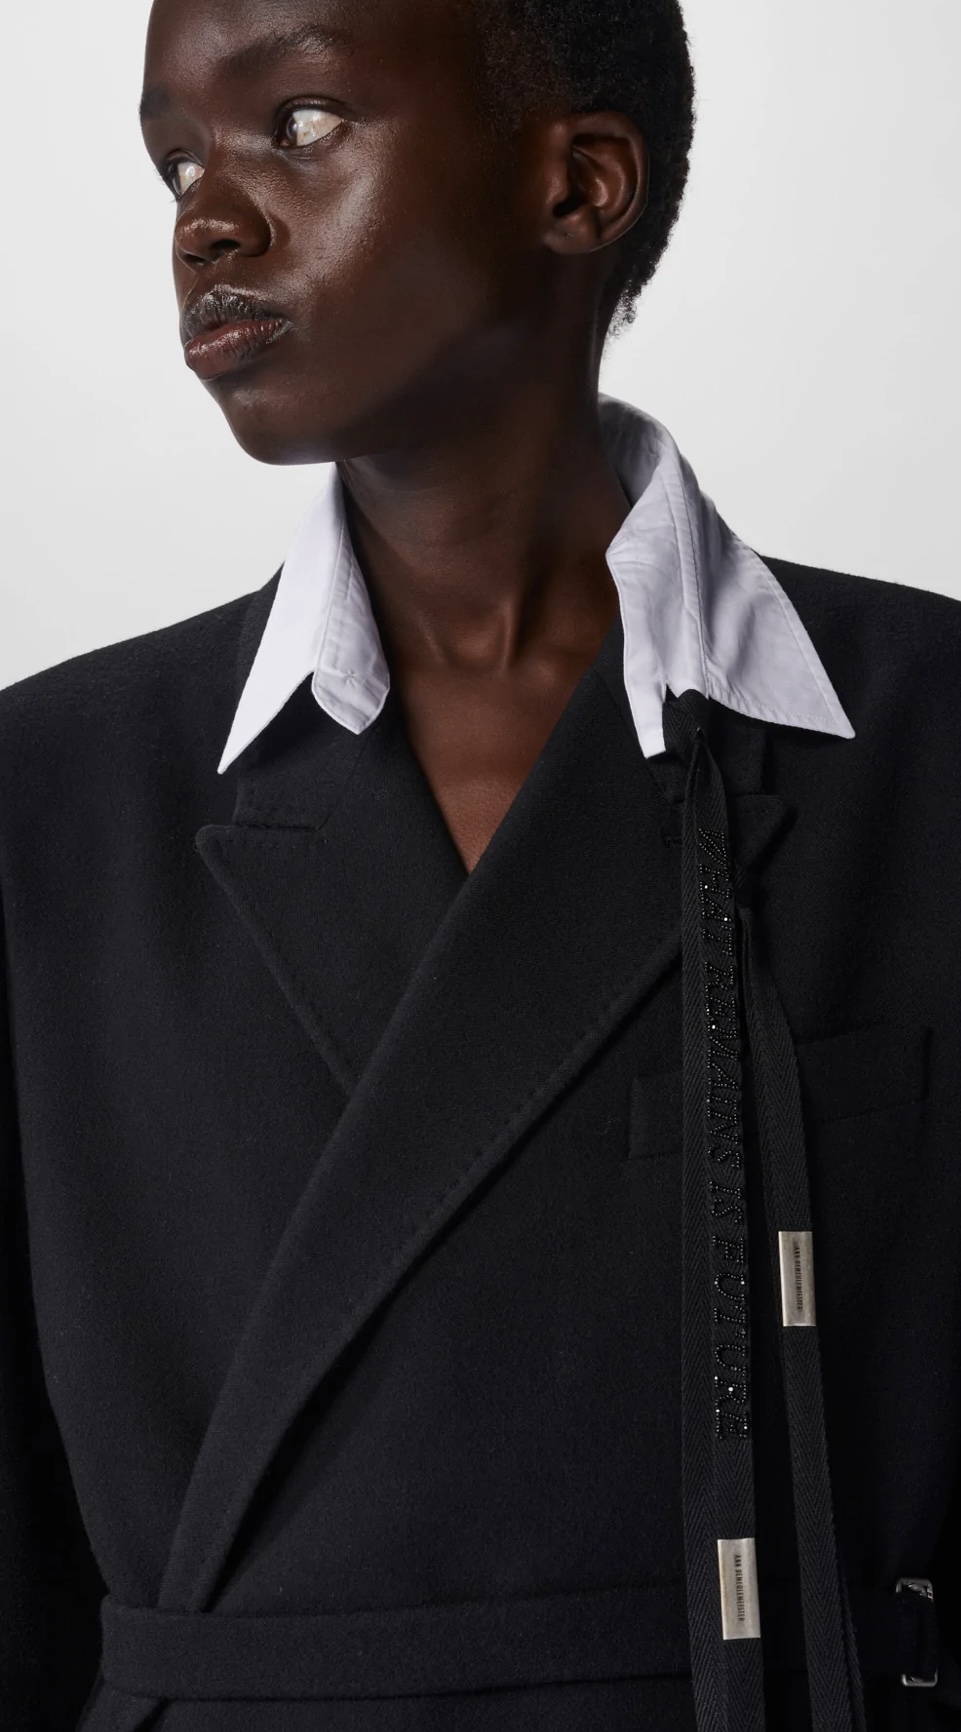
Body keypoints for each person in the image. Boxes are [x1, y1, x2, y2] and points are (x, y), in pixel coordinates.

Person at [1, 0, 959, 1728]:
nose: (204, 221)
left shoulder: (925, 734)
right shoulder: (44, 795)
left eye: (299, 123)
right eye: (173, 160)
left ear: (578, 184)